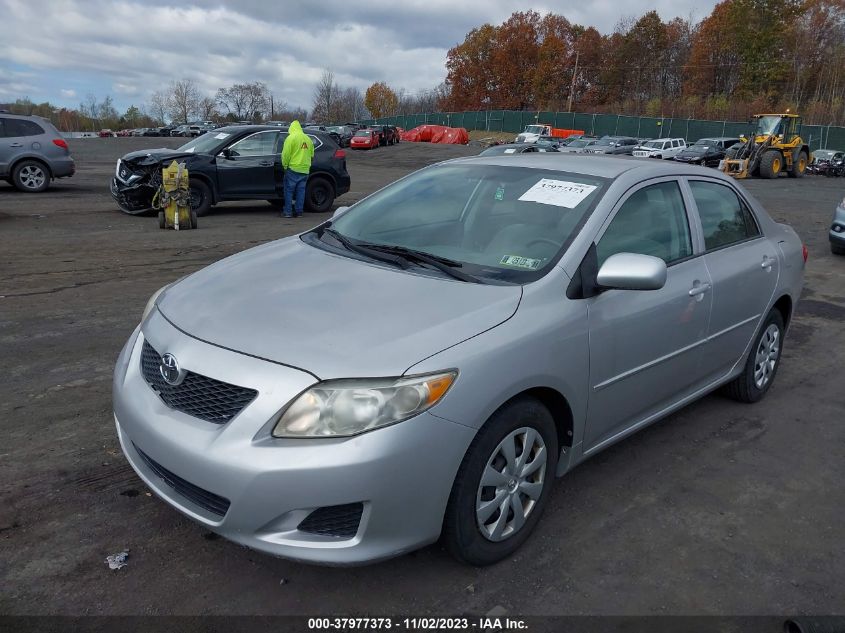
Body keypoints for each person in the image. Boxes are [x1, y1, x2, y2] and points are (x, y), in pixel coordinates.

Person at [280, 120, 314, 218]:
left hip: (293, 169)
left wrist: (285, 166)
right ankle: (299, 212)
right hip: (305, 170)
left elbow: (285, 155)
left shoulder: (290, 138)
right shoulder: (308, 139)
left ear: (292, 128)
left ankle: (288, 212)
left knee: (289, 191)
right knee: (301, 191)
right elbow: (312, 156)